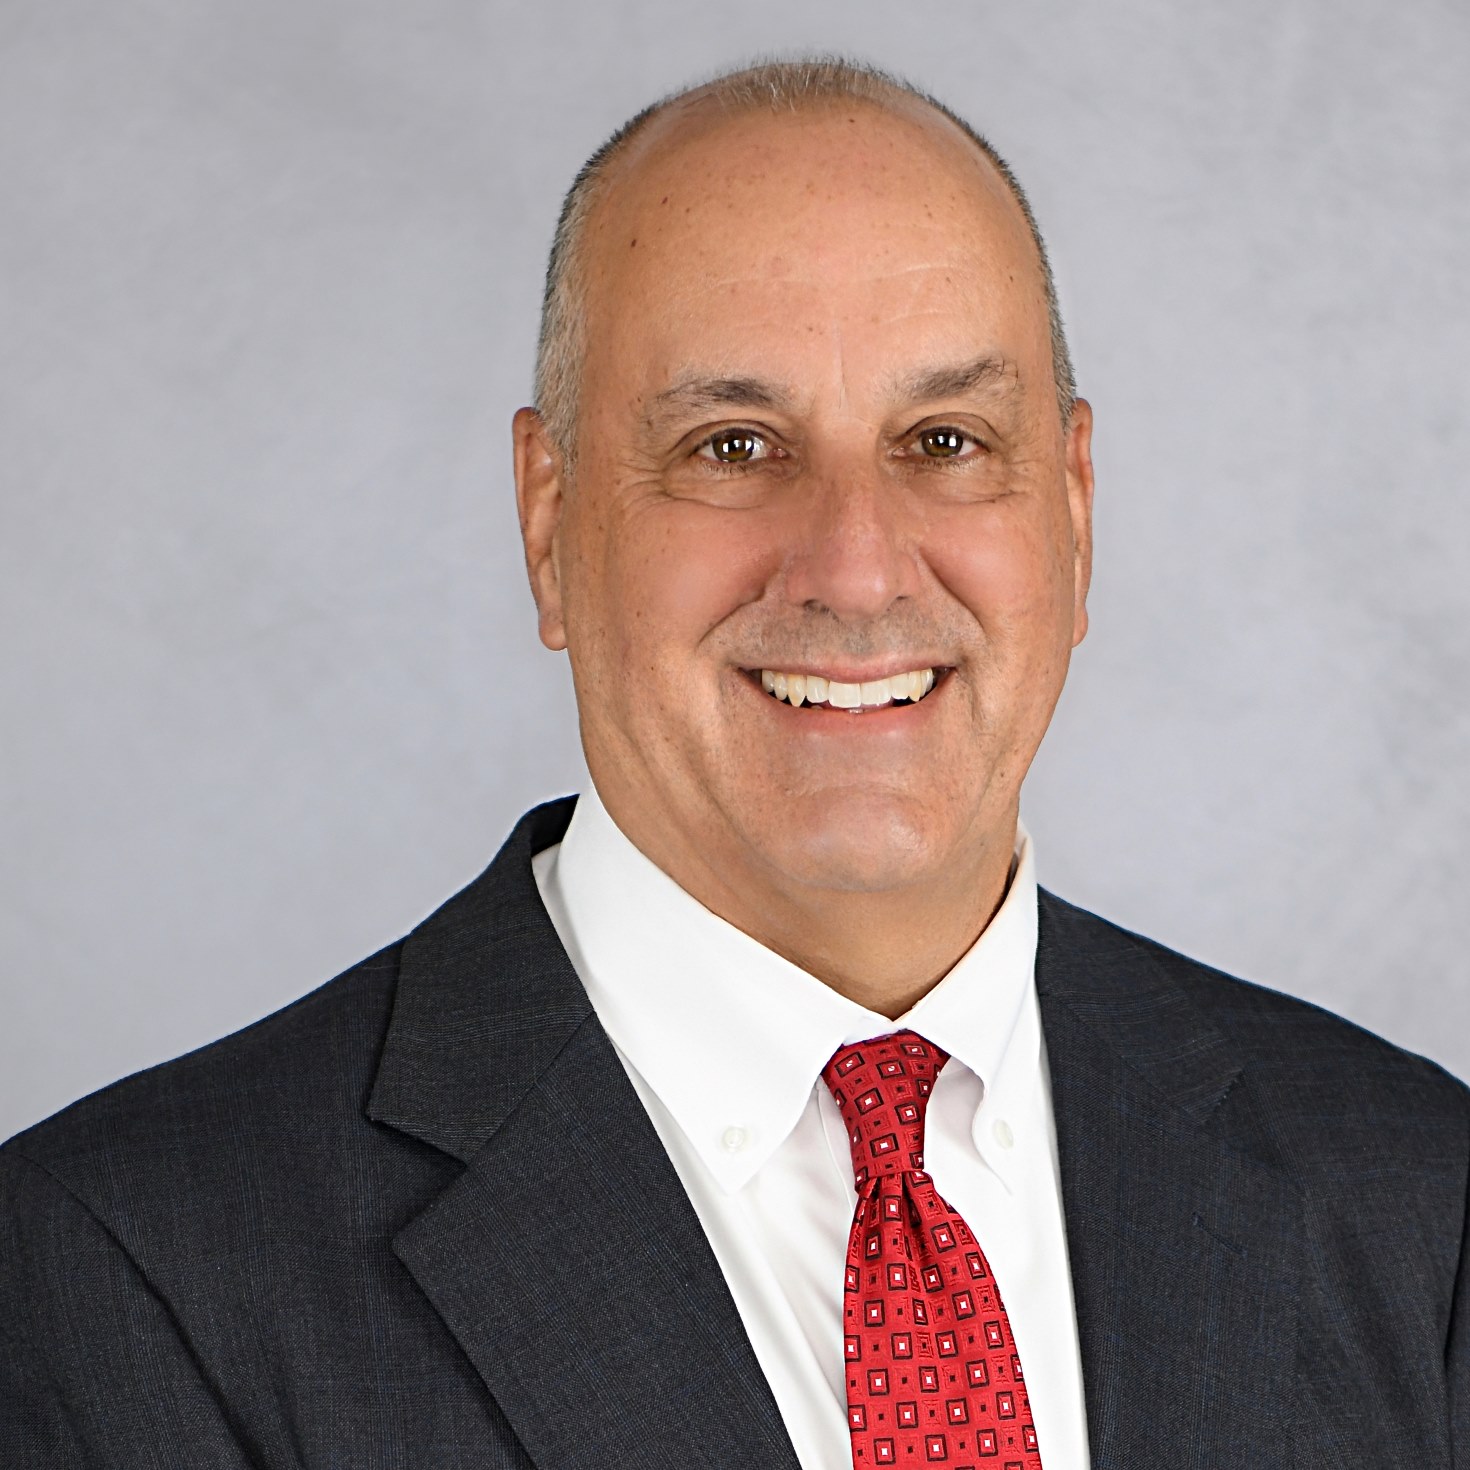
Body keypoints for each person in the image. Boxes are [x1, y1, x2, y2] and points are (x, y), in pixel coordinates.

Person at [2, 56, 1465, 1469]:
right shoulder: (133, 1270)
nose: (854, 565)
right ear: (547, 520)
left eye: (944, 438)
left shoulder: (1414, 1191)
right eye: (733, 447)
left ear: (1071, 518)